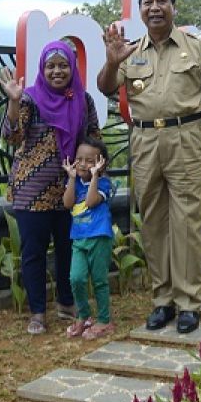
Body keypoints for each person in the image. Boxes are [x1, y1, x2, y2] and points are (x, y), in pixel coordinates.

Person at [97, 0, 201, 334]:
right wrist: (112, 62)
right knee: (153, 220)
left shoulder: (197, 48)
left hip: (185, 136)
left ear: (173, 7)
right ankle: (162, 300)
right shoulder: (130, 50)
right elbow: (106, 86)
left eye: (161, 1)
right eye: (147, 2)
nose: (154, 7)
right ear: (140, 10)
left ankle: (188, 302)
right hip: (144, 140)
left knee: (187, 220)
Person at [0, 40, 100, 335]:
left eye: (63, 65)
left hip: (70, 189)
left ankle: (67, 303)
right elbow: (12, 137)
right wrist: (14, 102)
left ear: (72, 67)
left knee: (70, 247)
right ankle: (38, 312)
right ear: (42, 69)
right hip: (32, 190)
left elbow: (93, 136)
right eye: (51, 66)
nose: (57, 71)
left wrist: (92, 169)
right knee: (34, 252)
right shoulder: (28, 99)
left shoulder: (83, 99)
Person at [61, 138, 116, 340]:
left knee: (100, 280)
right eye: (79, 159)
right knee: (76, 278)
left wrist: (94, 177)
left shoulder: (105, 183)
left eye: (89, 160)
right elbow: (67, 203)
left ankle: (104, 320)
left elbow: (92, 202)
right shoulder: (74, 182)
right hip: (79, 238)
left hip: (99, 237)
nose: (83, 164)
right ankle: (83, 316)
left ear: (102, 163)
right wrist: (71, 178)